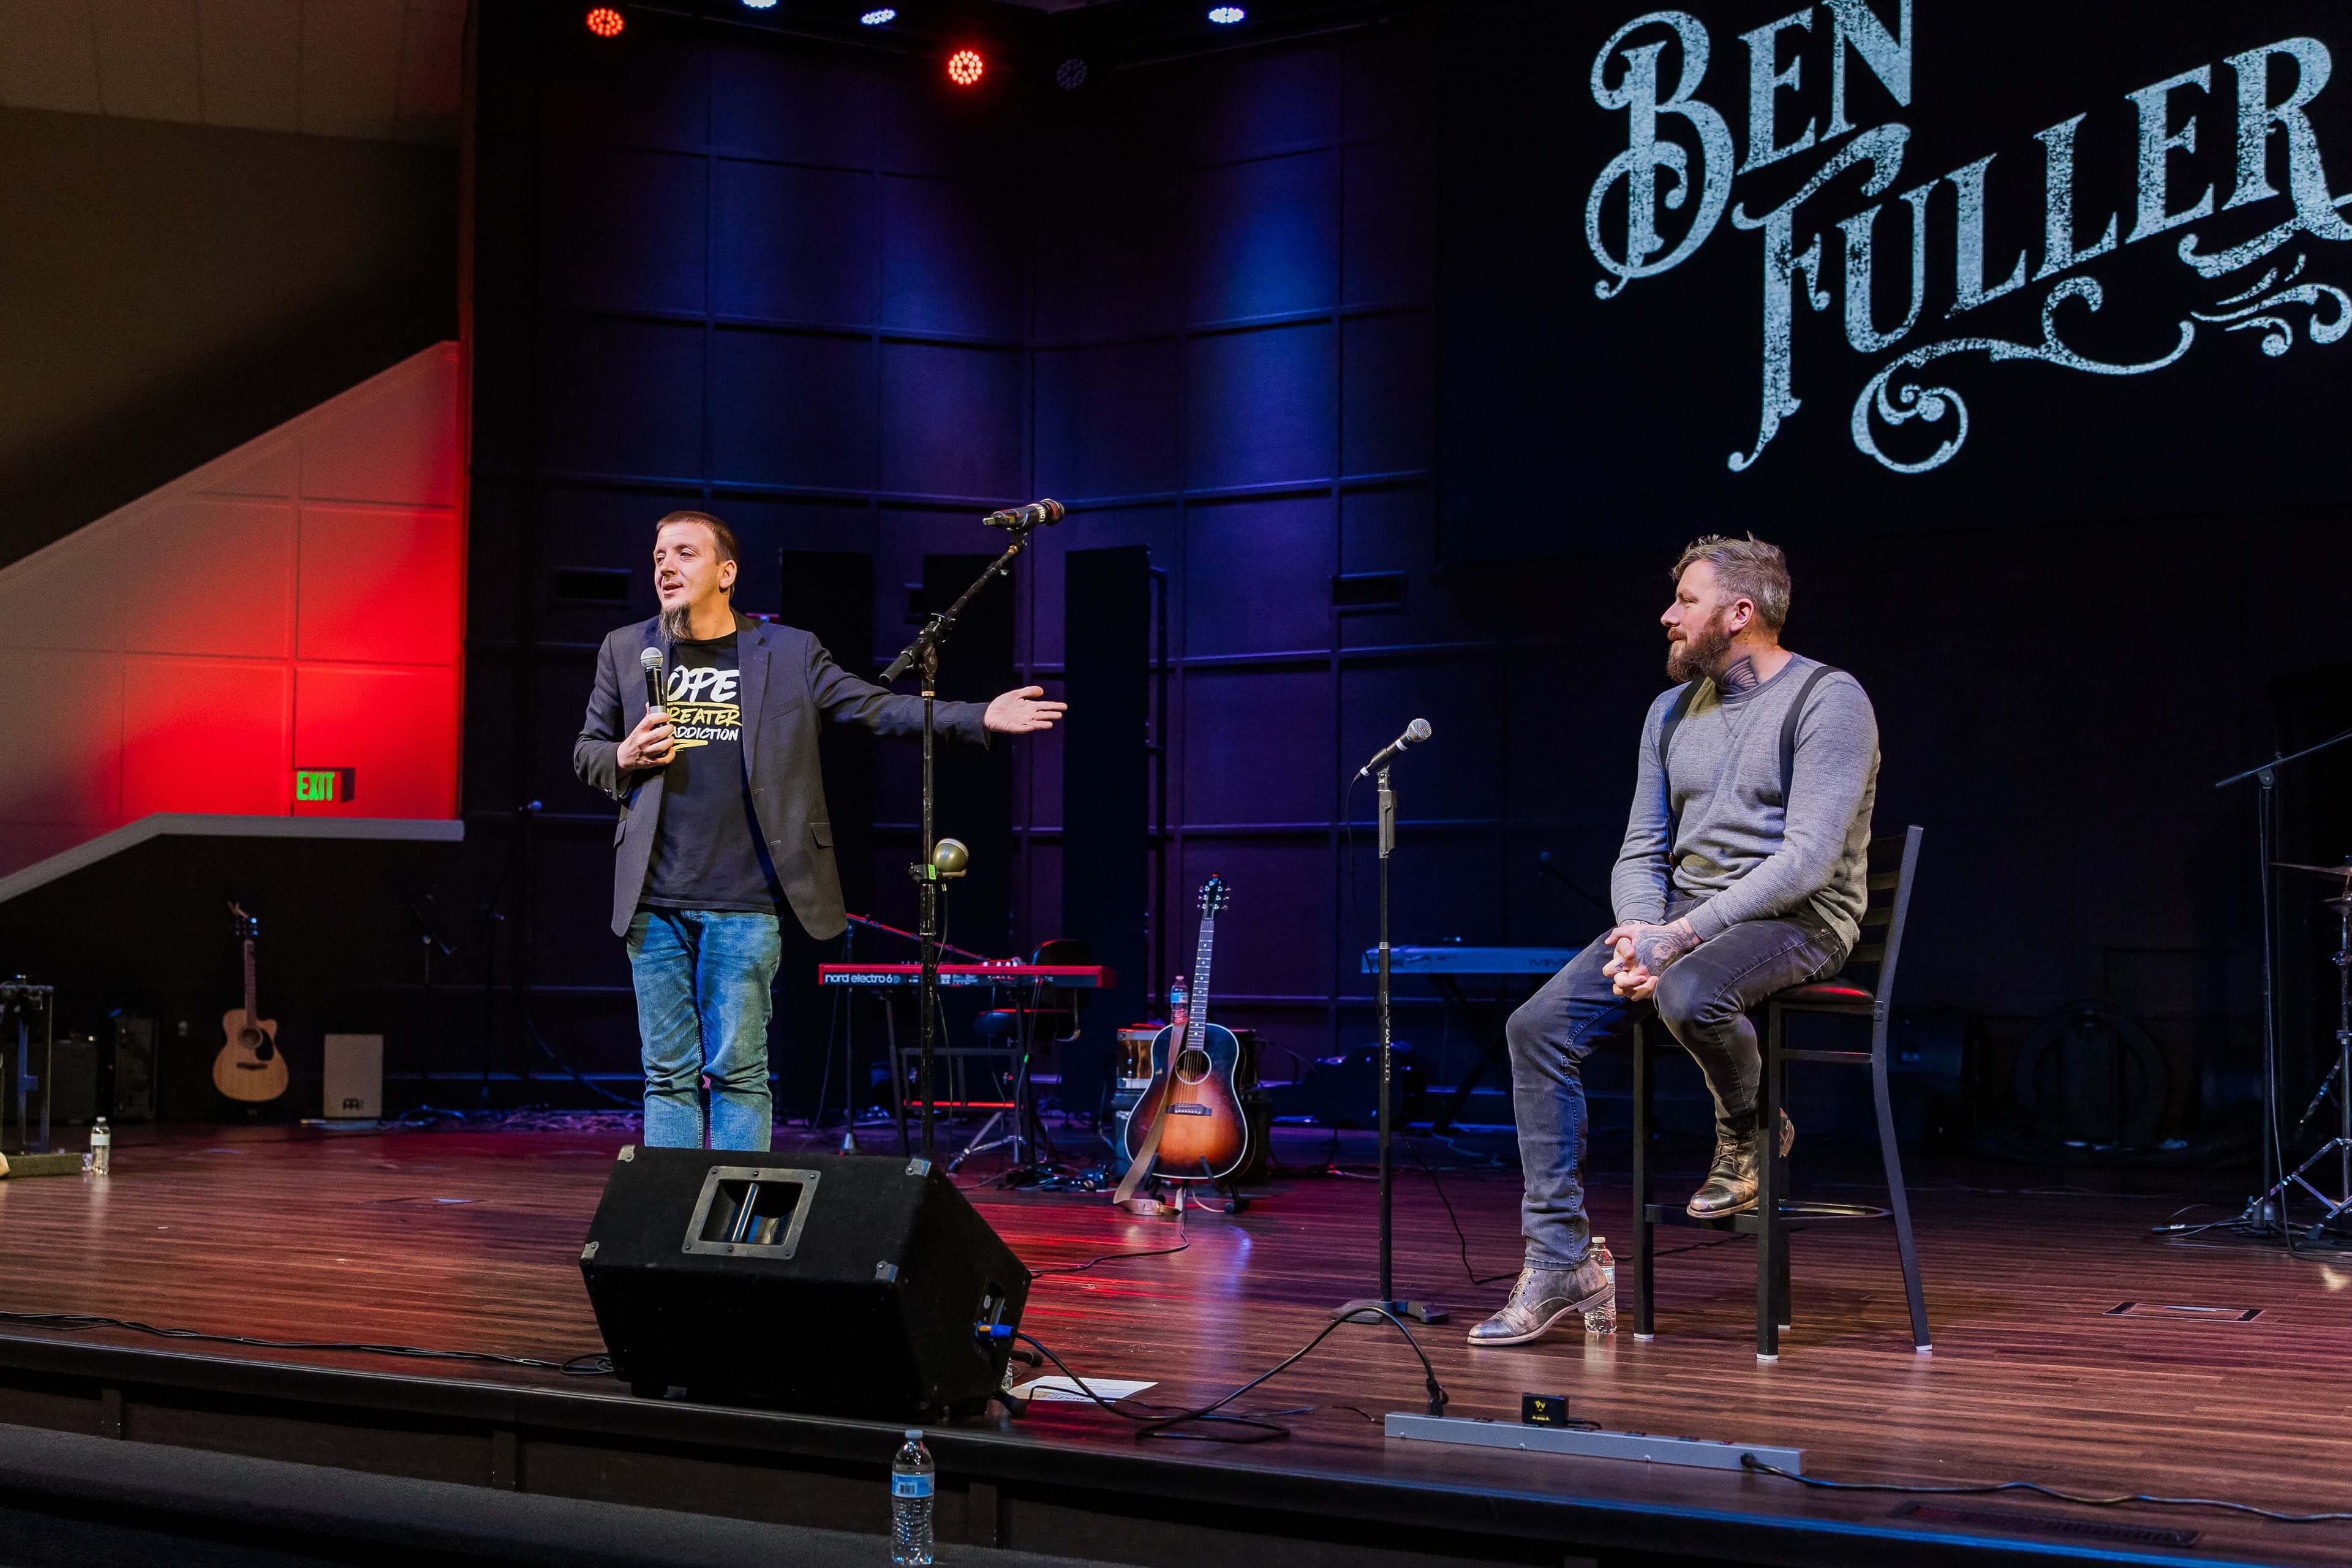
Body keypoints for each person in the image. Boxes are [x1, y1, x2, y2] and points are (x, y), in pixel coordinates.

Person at [1468, 535, 1879, 1346]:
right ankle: (1559, 1261)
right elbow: (1642, 849)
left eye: (1685, 601)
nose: (1667, 616)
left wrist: (1678, 939)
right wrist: (1637, 935)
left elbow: (1805, 862)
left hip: (1799, 921)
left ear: (1741, 612)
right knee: (1535, 1028)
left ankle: (1749, 1127)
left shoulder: (1830, 700)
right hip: (1682, 920)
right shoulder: (1667, 712)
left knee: (1693, 992)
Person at [573, 509, 1065, 1151]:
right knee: (666, 1076)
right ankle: (672, 1228)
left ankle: (732, 1227)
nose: (666, 565)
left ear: (727, 572)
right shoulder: (625, 648)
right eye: (660, 553)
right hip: (653, 902)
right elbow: (586, 748)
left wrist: (976, 717)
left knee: (738, 1073)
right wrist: (621, 756)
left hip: (745, 903)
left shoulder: (787, 652)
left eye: (685, 553)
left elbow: (875, 707)